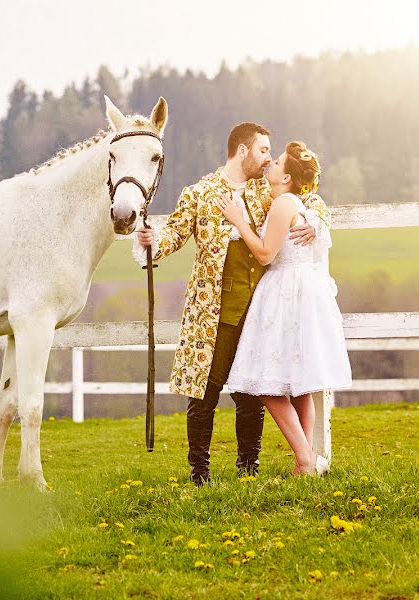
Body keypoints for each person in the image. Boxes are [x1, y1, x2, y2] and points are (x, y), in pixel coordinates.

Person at [135, 122, 331, 485]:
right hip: (212, 311)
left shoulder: (267, 189)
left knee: (252, 392)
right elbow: (175, 234)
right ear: (242, 150)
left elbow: (309, 197)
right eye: (262, 150)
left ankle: (248, 469)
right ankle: (199, 474)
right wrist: (151, 240)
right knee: (204, 392)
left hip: (259, 307)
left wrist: (317, 223)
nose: (269, 158)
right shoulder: (200, 192)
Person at [217, 141, 351, 475]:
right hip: (302, 291)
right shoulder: (298, 203)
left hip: (285, 293)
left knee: (265, 384)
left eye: (276, 162)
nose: (270, 164)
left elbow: (265, 254)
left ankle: (305, 457)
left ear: (287, 177)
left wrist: (237, 219)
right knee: (300, 386)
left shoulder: (283, 204)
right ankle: (308, 463)